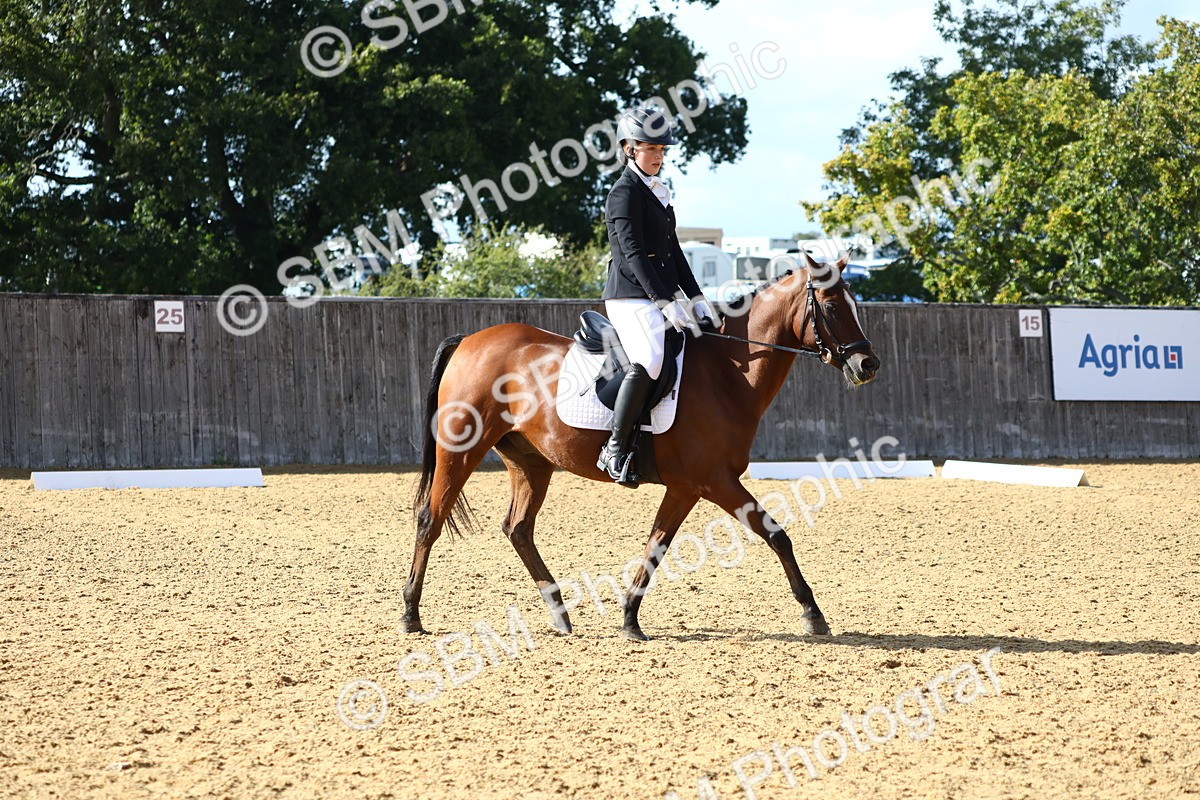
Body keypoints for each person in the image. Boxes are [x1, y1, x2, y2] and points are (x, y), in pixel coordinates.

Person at [597, 106, 717, 484]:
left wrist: (696, 298)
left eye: (662, 150)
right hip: (629, 296)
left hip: (657, 294)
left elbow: (673, 252)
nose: (658, 156)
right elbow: (633, 255)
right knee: (649, 359)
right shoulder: (624, 193)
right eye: (650, 148)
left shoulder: (657, 193)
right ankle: (614, 448)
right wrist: (664, 301)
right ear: (629, 149)